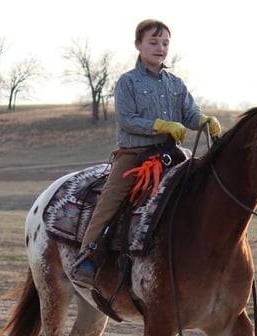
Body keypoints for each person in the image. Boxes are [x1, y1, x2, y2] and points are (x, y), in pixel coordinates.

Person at [71, 18, 221, 288]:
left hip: (172, 154)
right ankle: (88, 256)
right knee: (112, 196)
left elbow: (190, 113)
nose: (160, 48)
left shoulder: (176, 84)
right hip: (134, 155)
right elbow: (127, 119)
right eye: (153, 42)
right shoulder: (127, 82)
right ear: (138, 45)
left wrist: (203, 121)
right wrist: (160, 125)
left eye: (165, 43)